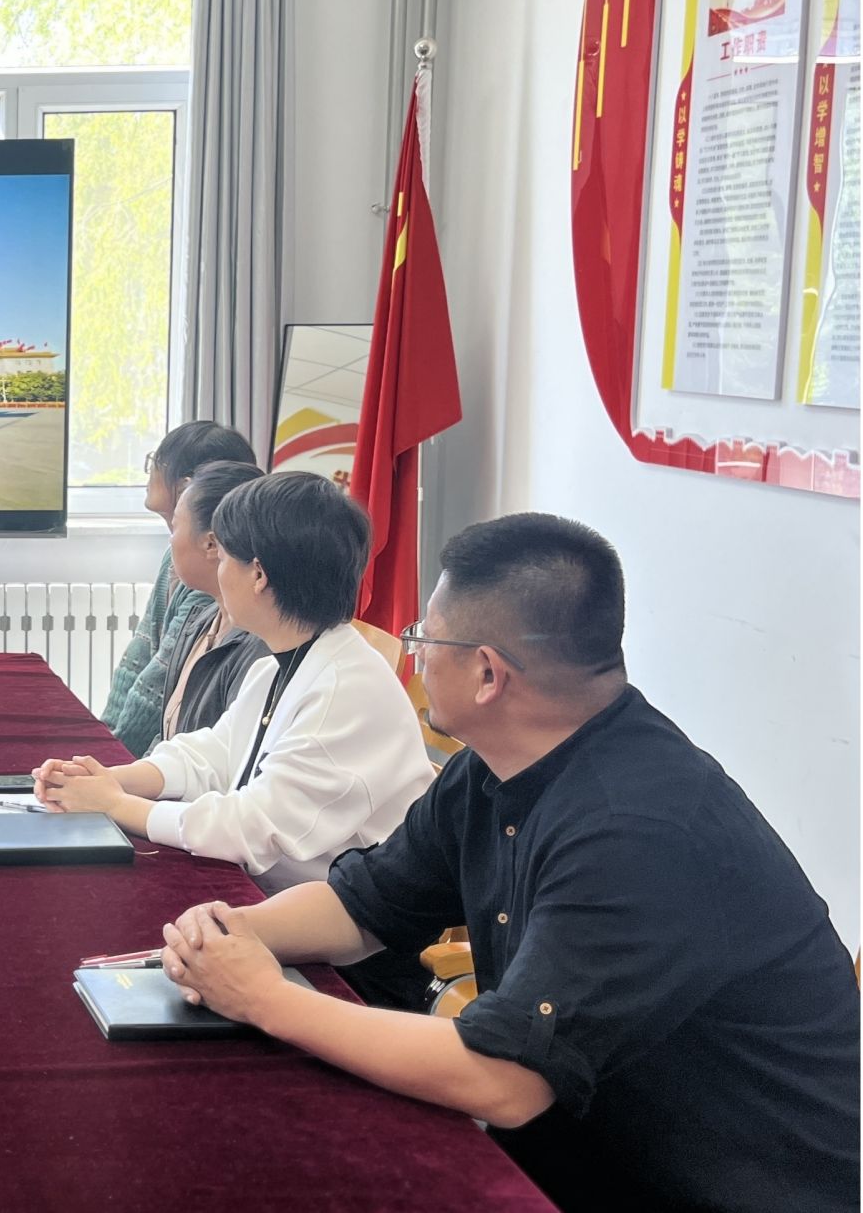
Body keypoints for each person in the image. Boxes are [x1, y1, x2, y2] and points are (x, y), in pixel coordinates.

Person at [158, 514, 860, 1211]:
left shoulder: (638, 831)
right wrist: (228, 933)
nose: (414, 655)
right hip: (576, 1153)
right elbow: (365, 902)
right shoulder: (496, 765)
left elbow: (503, 1079)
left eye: (424, 638)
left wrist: (266, 999)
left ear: (487, 673)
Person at [35, 471, 434, 1006]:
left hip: (352, 966)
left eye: (224, 557)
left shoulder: (345, 688)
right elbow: (214, 753)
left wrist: (116, 806)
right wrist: (114, 779)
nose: (217, 572)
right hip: (275, 912)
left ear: (259, 575)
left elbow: (248, 827)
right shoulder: (284, 662)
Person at [100, 420, 257, 758]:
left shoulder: (214, 589)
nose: (151, 471)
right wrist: (104, 741)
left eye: (158, 461)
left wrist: (115, 763)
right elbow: (140, 657)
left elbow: (159, 697)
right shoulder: (182, 561)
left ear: (188, 484)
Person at [154, 460, 272, 738]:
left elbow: (228, 754)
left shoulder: (262, 648)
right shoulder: (200, 619)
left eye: (175, 527)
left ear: (212, 544)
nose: (171, 540)